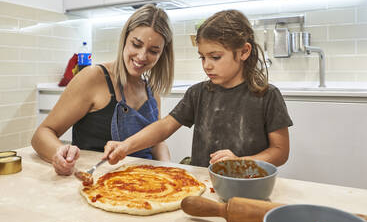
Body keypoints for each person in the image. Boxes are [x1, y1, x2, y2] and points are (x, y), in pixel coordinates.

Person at [102, 9, 293, 167]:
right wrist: (125, 146)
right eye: (202, 57)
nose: (207, 65)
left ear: (244, 51)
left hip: (250, 185)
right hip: (204, 182)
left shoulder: (268, 96)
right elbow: (165, 126)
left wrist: (240, 162)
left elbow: (280, 152)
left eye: (215, 57)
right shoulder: (198, 93)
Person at [31, 4, 174, 175]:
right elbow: (42, 134)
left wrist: (169, 168)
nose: (142, 56)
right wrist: (58, 153)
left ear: (162, 54)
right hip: (98, 181)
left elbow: (157, 142)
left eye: (153, 51)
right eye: (136, 44)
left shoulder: (151, 89)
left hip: (145, 183)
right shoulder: (93, 78)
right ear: (124, 40)